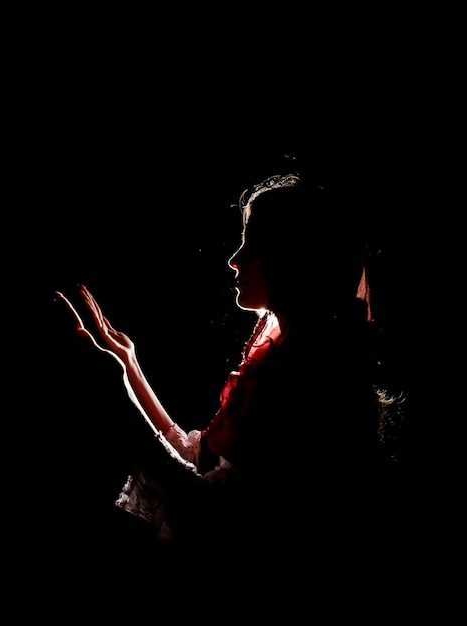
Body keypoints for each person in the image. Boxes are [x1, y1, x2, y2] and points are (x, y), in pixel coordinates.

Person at [55, 170, 403, 577]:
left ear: (293, 257)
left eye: (253, 243)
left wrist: (113, 396)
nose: (234, 258)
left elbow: (211, 521)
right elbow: (202, 464)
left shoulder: (309, 378)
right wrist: (128, 368)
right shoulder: (292, 358)